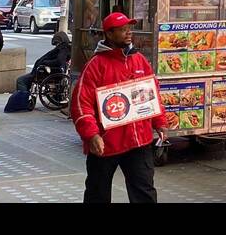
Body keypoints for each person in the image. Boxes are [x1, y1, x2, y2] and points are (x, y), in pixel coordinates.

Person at [72, 12, 166, 204]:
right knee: (97, 194)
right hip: (106, 143)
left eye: (129, 29)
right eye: (123, 30)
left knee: (145, 192)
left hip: (139, 141)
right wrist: (92, 135)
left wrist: (160, 122)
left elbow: (152, 94)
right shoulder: (95, 65)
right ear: (109, 33)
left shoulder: (139, 60)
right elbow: (82, 104)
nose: (128, 33)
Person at [16, 31, 72, 96]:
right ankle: (25, 96)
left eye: (56, 43)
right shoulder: (63, 48)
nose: (56, 45)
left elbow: (59, 61)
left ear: (60, 41)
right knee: (24, 80)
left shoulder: (63, 49)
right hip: (43, 71)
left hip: (44, 73)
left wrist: (44, 62)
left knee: (21, 80)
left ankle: (22, 99)